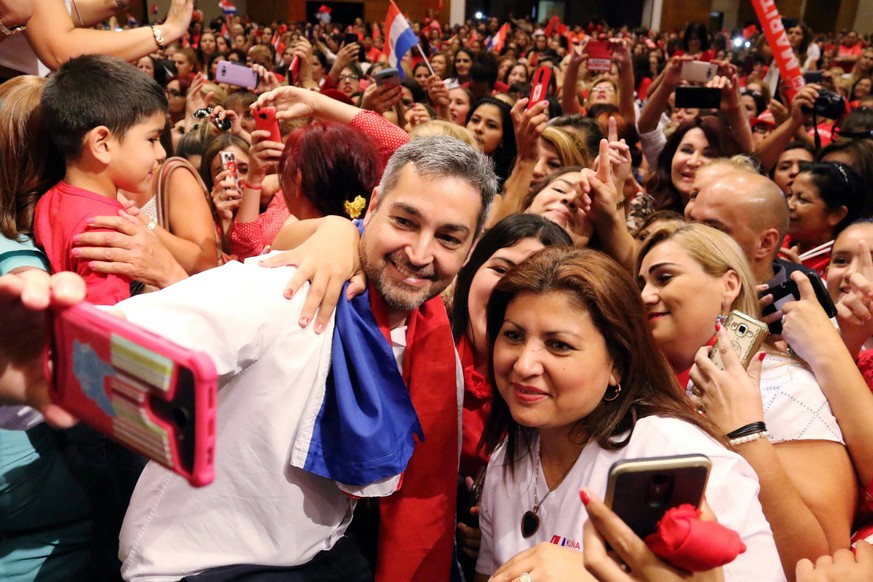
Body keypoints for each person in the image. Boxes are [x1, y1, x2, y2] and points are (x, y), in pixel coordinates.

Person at [102, 136, 497, 581]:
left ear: (471, 247)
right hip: (196, 567)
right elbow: (103, 349)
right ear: (373, 206)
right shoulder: (287, 291)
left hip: (318, 557)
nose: (421, 253)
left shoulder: (432, 335)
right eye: (405, 221)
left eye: (448, 237)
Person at [474, 246, 782, 581]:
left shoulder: (679, 457)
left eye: (558, 344)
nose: (524, 364)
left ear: (617, 366)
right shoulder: (506, 461)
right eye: (514, 336)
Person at [638, 223, 856, 575]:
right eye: (641, 284)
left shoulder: (780, 382)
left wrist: (745, 434)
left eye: (664, 278)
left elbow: (819, 561)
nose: (645, 295)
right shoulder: (652, 390)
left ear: (728, 285)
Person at [34, 54, 166, 305]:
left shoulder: (51, 196)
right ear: (102, 144)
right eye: (152, 139)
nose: (161, 153)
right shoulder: (109, 232)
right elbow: (111, 327)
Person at [784, 162, 864, 276]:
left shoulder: (846, 263)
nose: (789, 205)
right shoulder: (775, 241)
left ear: (836, 214)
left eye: (802, 199)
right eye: (789, 195)